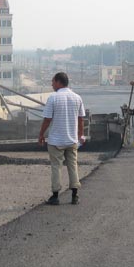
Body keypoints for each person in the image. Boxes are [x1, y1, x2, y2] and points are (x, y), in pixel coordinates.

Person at [38, 72, 86, 206]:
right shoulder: (77, 97)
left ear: (59, 82)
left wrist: (41, 134)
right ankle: (75, 195)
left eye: (53, 82)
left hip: (56, 141)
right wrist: (80, 135)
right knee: (73, 166)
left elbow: (47, 119)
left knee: (56, 167)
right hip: (72, 140)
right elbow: (81, 119)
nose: (52, 84)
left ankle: (55, 196)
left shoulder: (53, 98)